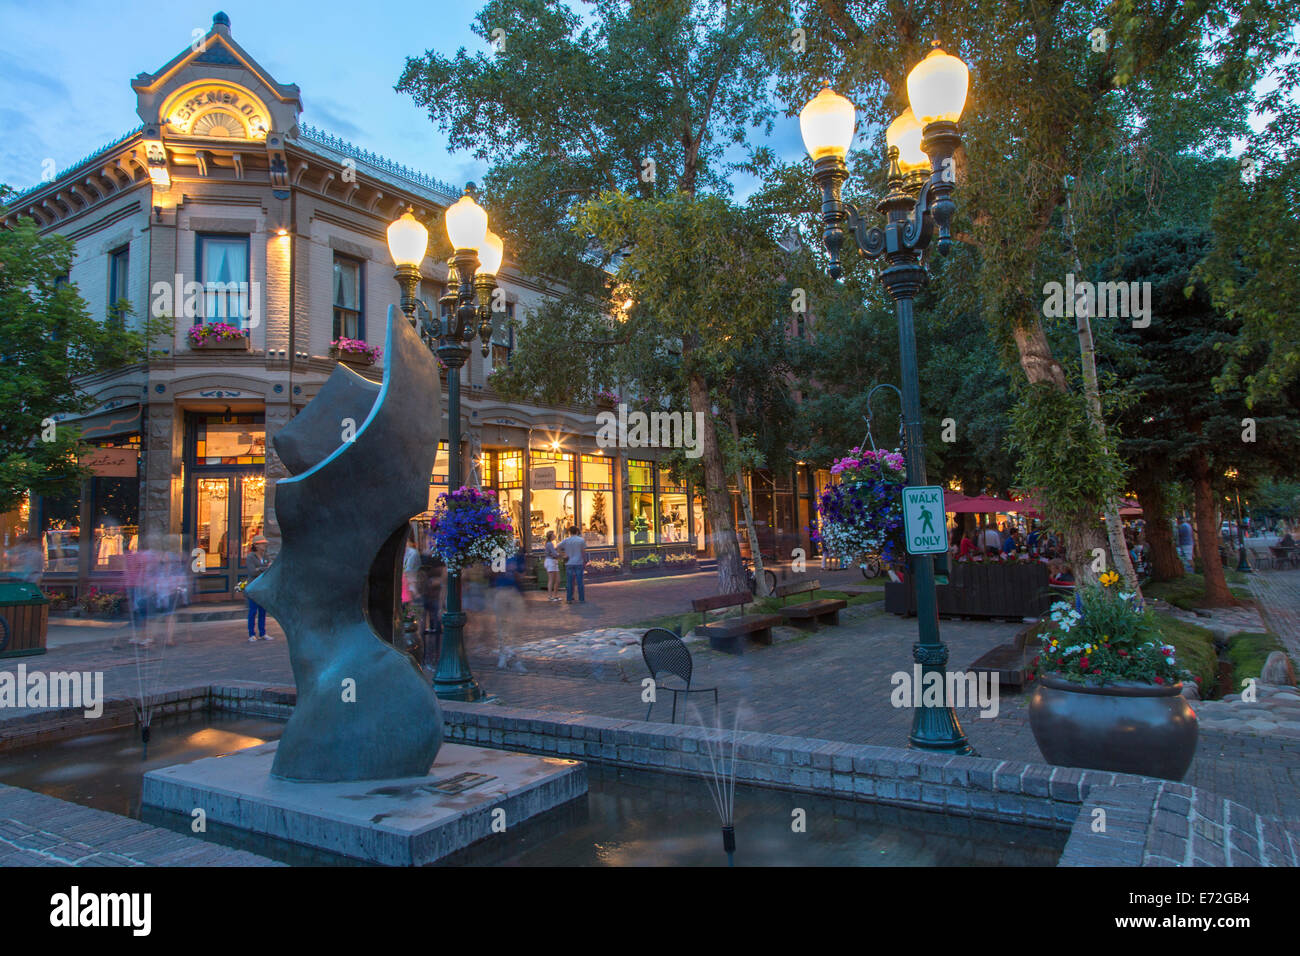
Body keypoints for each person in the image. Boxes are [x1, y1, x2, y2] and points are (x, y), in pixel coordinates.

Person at [245, 534, 271, 642]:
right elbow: (252, 571)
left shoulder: (266, 556)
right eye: (262, 544)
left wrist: (260, 569)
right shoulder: (251, 557)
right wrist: (265, 568)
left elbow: (269, 569)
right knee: (253, 611)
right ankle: (251, 633)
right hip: (253, 587)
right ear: (256, 545)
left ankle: (263, 633)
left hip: (263, 587)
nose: (264, 545)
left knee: (262, 611)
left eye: (265, 543)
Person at [559, 525, 587, 604]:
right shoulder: (581, 540)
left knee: (569, 582)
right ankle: (581, 599)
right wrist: (584, 561)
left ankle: (569, 599)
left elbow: (557, 547)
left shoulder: (566, 540)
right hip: (578, 562)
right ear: (577, 532)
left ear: (569, 532)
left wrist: (563, 555)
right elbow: (583, 552)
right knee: (580, 582)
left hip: (569, 563)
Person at [543, 530, 561, 603]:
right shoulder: (549, 544)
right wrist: (560, 554)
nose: (555, 536)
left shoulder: (550, 544)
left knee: (557, 580)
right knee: (551, 580)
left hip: (553, 562)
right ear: (551, 536)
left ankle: (555, 595)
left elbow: (553, 553)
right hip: (550, 562)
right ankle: (550, 596)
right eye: (554, 535)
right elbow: (554, 554)